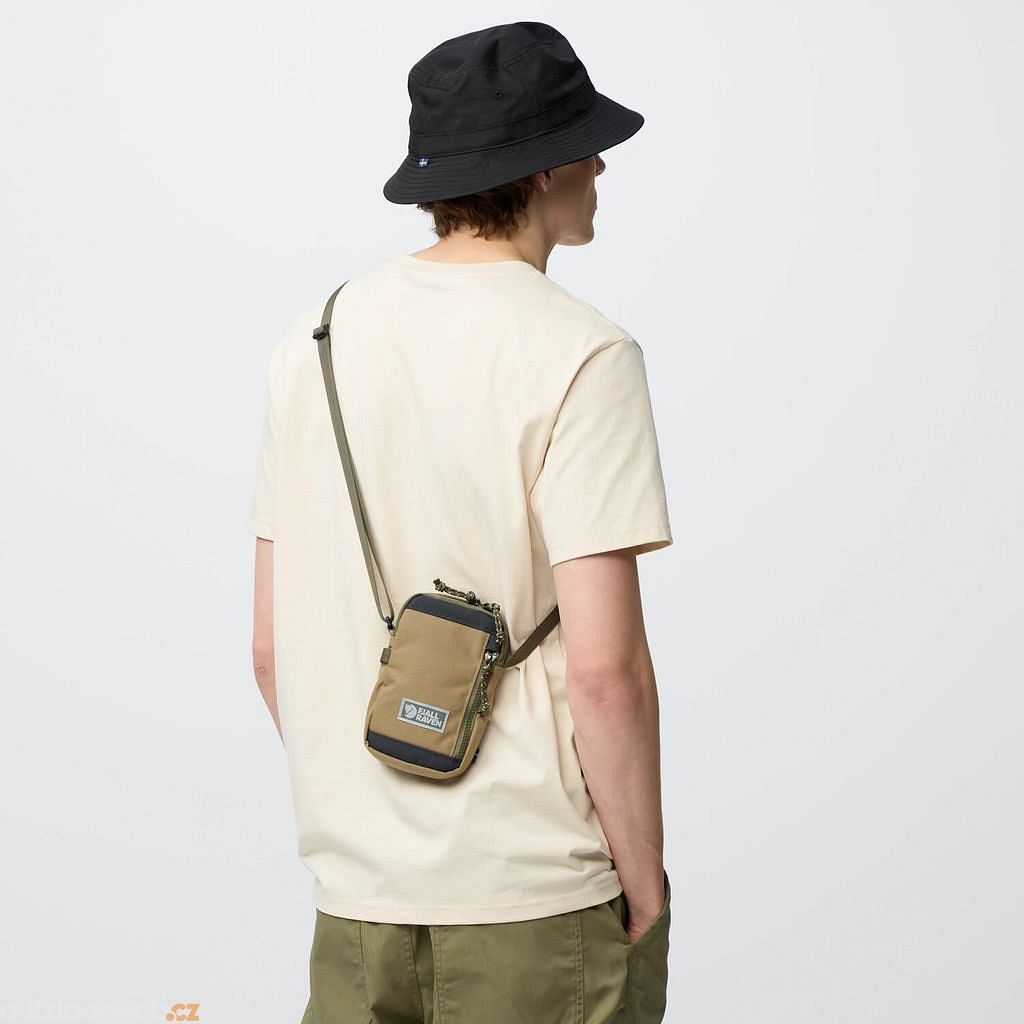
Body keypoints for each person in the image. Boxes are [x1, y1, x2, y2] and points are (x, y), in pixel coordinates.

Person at [248, 21, 674, 1024]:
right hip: (536, 902)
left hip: (356, 905)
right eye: (587, 146)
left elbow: (270, 649)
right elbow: (607, 673)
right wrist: (643, 878)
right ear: (543, 171)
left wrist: (378, 825)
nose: (602, 166)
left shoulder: (315, 339)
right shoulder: (584, 354)